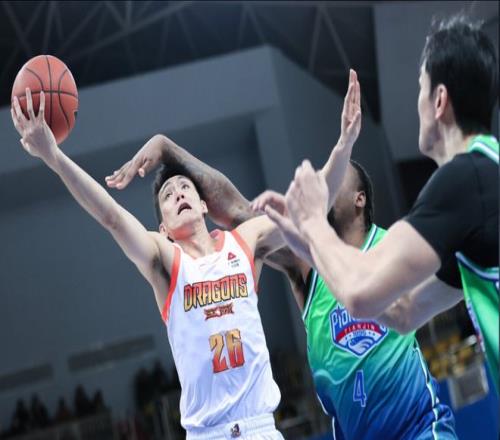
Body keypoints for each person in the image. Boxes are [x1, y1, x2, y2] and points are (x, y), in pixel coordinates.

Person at [107, 79, 456, 439]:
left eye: (336, 176)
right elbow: (235, 210)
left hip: (418, 426)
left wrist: (344, 147)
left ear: (360, 198)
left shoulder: (390, 245)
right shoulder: (306, 259)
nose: (321, 181)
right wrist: (169, 152)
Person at [11, 88, 288, 439]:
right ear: (164, 229)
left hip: (262, 427)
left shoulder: (243, 241)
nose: (179, 194)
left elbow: (307, 214)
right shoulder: (166, 259)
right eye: (168, 196)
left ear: (204, 205)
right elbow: (112, 217)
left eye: (185, 188)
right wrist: (53, 156)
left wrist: (341, 150)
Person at [263, 15, 499, 392]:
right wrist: (307, 243)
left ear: (439, 101)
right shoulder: (483, 181)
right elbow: (403, 311)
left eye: (420, 89)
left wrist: (312, 221)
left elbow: (360, 293)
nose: (417, 103)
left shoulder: (464, 180)